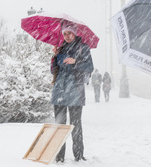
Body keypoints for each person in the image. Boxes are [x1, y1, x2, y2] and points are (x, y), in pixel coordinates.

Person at [50, 22, 94, 163]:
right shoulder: (60, 48)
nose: (67, 36)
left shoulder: (83, 48)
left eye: (69, 33)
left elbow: (90, 67)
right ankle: (59, 156)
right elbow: (53, 71)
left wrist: (75, 61)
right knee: (59, 125)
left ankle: (79, 155)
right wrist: (54, 58)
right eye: (65, 34)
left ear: (75, 33)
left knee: (75, 125)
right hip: (59, 92)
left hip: (75, 91)